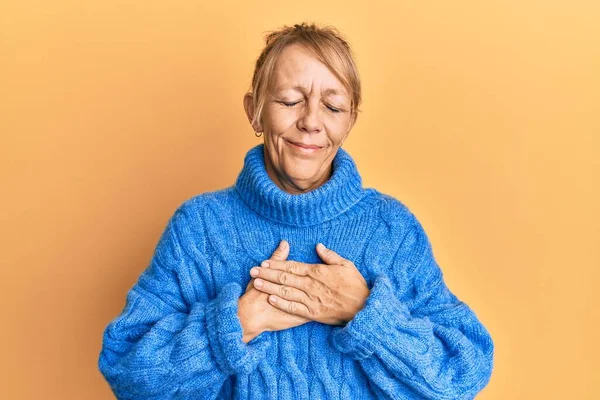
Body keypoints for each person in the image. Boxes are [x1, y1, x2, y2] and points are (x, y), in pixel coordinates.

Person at [98, 22, 494, 399]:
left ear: (351, 120)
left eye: (333, 107)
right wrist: (237, 324)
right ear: (255, 110)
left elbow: (461, 376)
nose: (311, 122)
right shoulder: (200, 227)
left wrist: (364, 311)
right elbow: (128, 374)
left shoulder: (391, 229)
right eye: (290, 101)